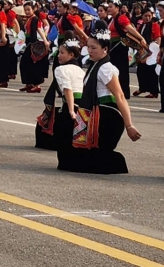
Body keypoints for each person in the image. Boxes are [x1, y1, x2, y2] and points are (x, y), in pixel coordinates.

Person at [57, 26, 142, 174]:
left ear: (105, 49)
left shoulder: (105, 68)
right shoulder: (95, 65)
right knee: (68, 154)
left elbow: (119, 96)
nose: (89, 50)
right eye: (88, 47)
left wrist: (129, 125)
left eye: (94, 48)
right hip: (96, 114)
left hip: (106, 118)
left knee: (81, 157)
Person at [38, 34, 84, 150]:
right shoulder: (80, 70)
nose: (58, 56)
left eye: (62, 53)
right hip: (84, 105)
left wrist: (71, 110)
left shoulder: (60, 69)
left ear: (71, 55)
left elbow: (68, 90)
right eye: (59, 52)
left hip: (71, 104)